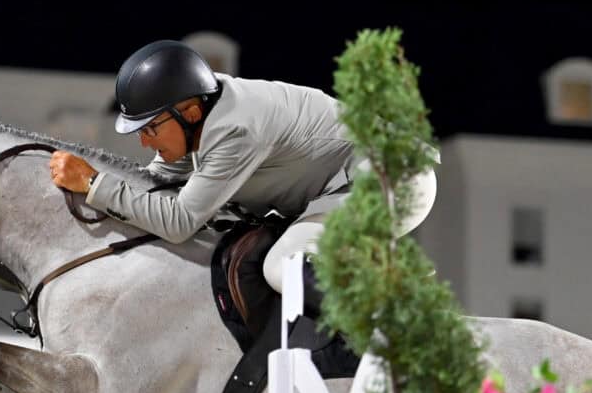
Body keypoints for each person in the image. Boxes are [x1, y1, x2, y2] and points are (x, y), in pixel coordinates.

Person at [48, 39, 436, 310]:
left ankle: (398, 314)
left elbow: (180, 220)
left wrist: (94, 184)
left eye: (151, 129)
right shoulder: (198, 122)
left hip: (391, 178)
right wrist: (96, 188)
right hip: (345, 187)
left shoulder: (235, 128)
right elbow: (155, 187)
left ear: (190, 111)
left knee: (283, 265)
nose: (146, 143)